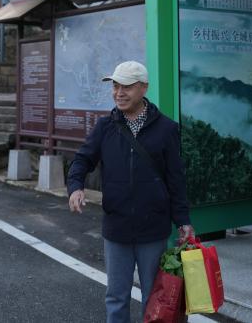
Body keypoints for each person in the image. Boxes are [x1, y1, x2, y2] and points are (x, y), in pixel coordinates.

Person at [67, 60, 194, 323]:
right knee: (116, 296)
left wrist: (183, 221)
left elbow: (176, 178)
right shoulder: (106, 127)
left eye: (127, 86)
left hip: (153, 228)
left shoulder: (166, 129)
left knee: (153, 296)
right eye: (115, 86)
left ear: (144, 88)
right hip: (117, 226)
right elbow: (82, 159)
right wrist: (75, 187)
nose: (119, 93)